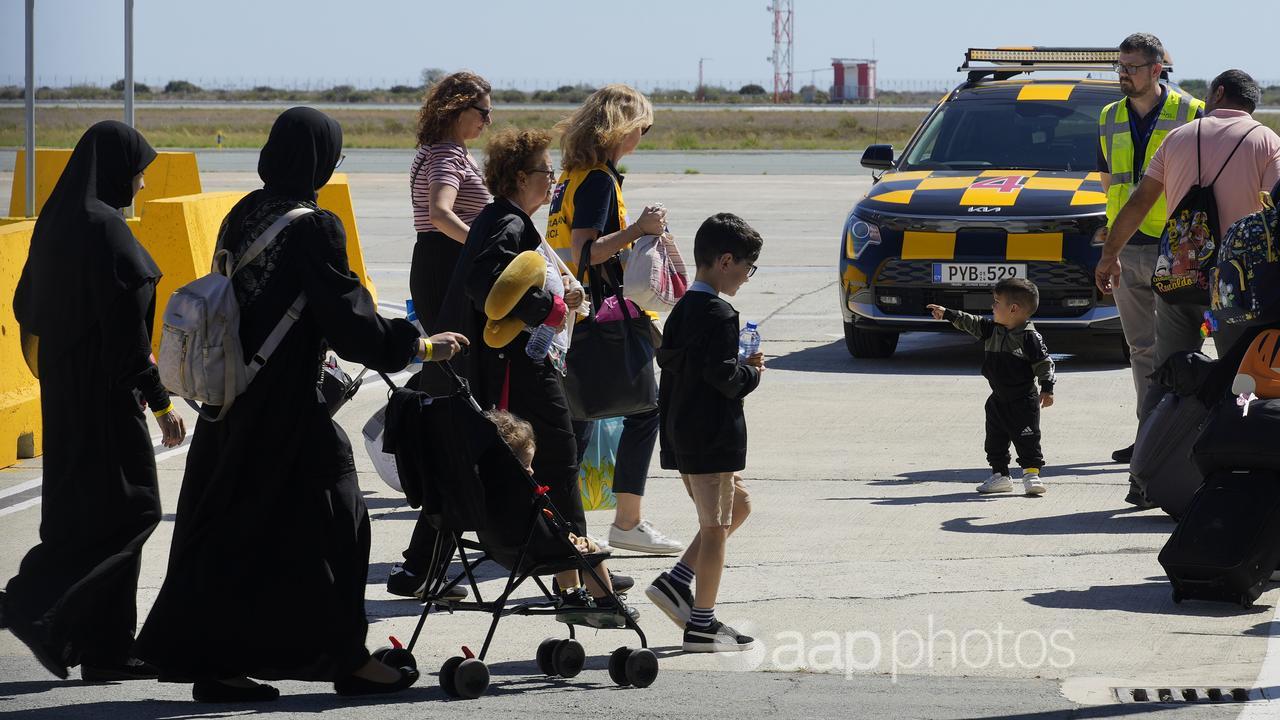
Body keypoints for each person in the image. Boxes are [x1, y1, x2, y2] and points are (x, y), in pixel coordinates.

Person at [134, 108, 467, 703]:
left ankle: (216, 664)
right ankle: (344, 658)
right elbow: (347, 320)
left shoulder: (244, 212)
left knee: (233, 531)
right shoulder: (315, 227)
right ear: (317, 162)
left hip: (229, 399)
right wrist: (417, 345)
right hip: (284, 410)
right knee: (339, 520)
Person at [2, 121, 185, 682]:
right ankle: (29, 604)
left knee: (89, 513)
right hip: (108, 403)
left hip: (65, 398)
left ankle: (107, 651)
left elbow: (24, 307)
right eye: (138, 175)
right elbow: (128, 340)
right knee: (133, 513)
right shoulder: (109, 235)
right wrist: (160, 405)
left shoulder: (57, 226)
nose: (143, 187)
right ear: (114, 174)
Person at [438, 127, 636, 627]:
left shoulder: (502, 218)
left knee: (549, 467)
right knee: (560, 463)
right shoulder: (508, 224)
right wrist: (551, 305)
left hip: (513, 365)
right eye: (547, 173)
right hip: (520, 369)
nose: (553, 181)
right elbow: (486, 285)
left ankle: (572, 577)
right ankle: (588, 583)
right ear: (522, 176)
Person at [1096, 69, 1280, 504]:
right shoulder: (1265, 141)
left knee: (1168, 374)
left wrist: (1110, 255)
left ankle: (1143, 480)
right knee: (1244, 379)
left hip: (1183, 277)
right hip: (1235, 289)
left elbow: (1139, 200)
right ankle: (1239, 471)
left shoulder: (1178, 138)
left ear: (1217, 93)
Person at [545, 83, 683, 555]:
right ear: (620, 128)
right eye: (641, 127)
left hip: (569, 315)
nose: (642, 136)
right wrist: (639, 230)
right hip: (598, 317)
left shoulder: (571, 175)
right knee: (645, 409)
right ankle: (626, 522)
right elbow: (586, 251)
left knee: (576, 425)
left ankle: (559, 527)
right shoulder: (599, 179)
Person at [645, 213, 763, 653]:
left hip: (681, 432)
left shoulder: (681, 311)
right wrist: (751, 374)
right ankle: (702, 623)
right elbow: (723, 377)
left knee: (741, 505)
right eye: (746, 268)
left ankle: (677, 582)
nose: (746, 278)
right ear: (725, 260)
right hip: (711, 437)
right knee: (715, 529)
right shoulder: (719, 312)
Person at [1095, 33, 1203, 466]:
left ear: (1157, 69)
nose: (1123, 74)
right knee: (1139, 348)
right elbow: (1109, 187)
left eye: (1132, 67)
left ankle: (1183, 432)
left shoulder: (1191, 112)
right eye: (1119, 67)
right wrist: (1112, 245)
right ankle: (1148, 435)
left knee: (1178, 346)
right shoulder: (1107, 115)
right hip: (1127, 246)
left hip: (1174, 246)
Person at [483, 409, 627, 626]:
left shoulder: (486, 490)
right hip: (534, 552)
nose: (531, 472)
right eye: (526, 466)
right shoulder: (521, 496)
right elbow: (542, 529)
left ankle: (571, 597)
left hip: (499, 551)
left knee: (566, 542)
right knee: (589, 547)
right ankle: (608, 604)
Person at [926, 278, 1056, 496]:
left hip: (1023, 400)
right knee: (994, 439)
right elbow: (970, 321)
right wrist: (947, 313)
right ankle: (1000, 475)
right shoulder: (991, 329)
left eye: (997, 302)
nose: (992, 306)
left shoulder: (1029, 337)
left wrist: (1047, 388)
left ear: (1013, 309)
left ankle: (1031, 474)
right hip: (997, 399)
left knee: (1028, 438)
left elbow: (1045, 363)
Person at [409, 71, 493, 328]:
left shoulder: (449, 149)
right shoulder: (446, 153)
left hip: (445, 259)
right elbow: (440, 214)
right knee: (456, 358)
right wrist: (484, 247)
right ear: (458, 108)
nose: (488, 121)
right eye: (483, 112)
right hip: (446, 262)